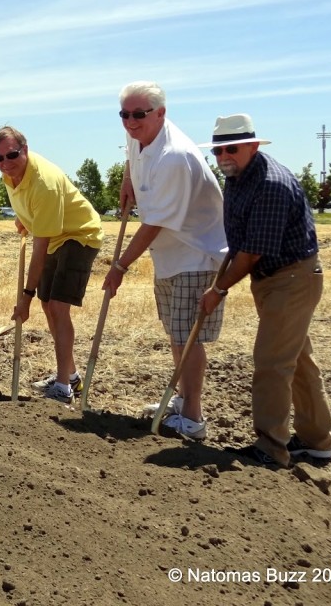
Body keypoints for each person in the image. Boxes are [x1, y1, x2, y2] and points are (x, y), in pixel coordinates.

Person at [199, 114, 331, 468]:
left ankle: (271, 449)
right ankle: (317, 441)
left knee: (272, 363)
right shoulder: (237, 177)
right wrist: (218, 283)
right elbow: (237, 244)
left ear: (253, 146)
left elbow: (251, 252)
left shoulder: (271, 184)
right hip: (274, 281)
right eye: (218, 150)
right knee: (298, 361)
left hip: (292, 279)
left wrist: (219, 290)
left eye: (232, 148)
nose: (224, 156)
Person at [101, 82, 227, 440]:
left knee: (188, 338)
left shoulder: (175, 157)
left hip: (196, 252)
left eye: (138, 114)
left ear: (161, 113)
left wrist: (120, 266)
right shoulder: (138, 133)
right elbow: (130, 148)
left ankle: (193, 417)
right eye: (123, 114)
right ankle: (183, 399)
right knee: (176, 333)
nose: (129, 121)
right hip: (171, 256)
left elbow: (153, 224)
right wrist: (128, 178)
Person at [0, 125, 102, 404]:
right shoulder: (10, 175)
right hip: (54, 235)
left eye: (11, 155)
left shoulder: (45, 182)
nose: (5, 163)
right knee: (48, 304)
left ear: (25, 150)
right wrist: (25, 219)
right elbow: (30, 210)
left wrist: (25, 298)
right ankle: (71, 376)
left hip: (78, 235)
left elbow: (38, 251)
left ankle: (63, 388)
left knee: (57, 306)